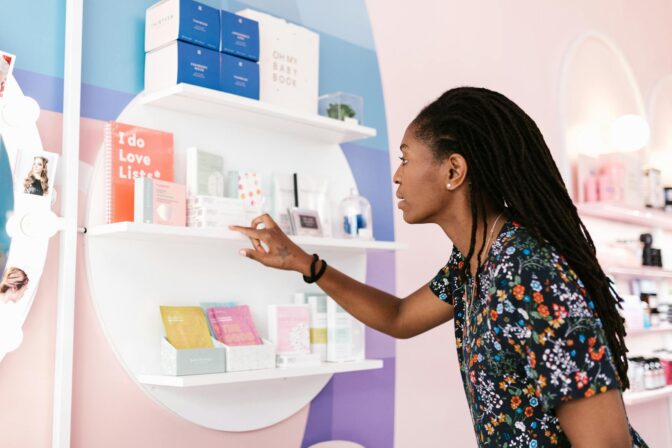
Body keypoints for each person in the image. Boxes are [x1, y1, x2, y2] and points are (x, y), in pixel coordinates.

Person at [231, 87, 647, 447]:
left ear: (453, 171)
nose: (396, 175)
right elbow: (399, 316)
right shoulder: (474, 261)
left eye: (406, 158)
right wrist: (305, 263)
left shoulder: (528, 273)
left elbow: (606, 443)